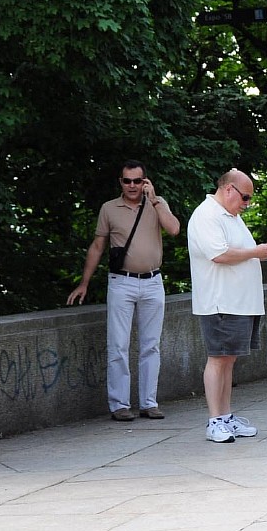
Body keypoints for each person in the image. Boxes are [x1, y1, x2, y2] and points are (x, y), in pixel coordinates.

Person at [67, 160, 181, 421]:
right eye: (127, 181)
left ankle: (149, 403)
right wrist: (84, 282)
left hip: (153, 281)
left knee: (151, 345)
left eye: (137, 181)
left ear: (145, 182)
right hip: (122, 281)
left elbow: (174, 229)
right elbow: (97, 246)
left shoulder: (157, 203)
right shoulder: (109, 208)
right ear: (120, 182)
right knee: (118, 345)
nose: (132, 186)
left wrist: (154, 200)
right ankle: (119, 405)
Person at [187, 169, 267, 443]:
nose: (247, 203)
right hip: (220, 301)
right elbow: (218, 254)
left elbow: (241, 254)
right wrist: (256, 252)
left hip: (240, 301)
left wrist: (266, 252)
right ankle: (214, 420)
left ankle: (226, 416)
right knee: (218, 358)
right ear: (228, 189)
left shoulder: (232, 217)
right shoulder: (207, 215)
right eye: (245, 197)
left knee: (229, 359)